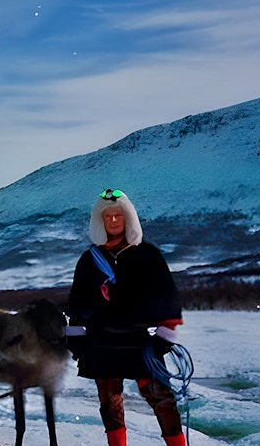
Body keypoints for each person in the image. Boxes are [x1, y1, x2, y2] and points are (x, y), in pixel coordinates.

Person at [66, 189, 185, 446]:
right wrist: (76, 336)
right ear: (100, 220)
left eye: (118, 215)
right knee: (110, 404)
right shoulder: (89, 260)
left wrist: (165, 335)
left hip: (139, 342)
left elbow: (166, 295)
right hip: (101, 342)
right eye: (107, 216)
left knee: (162, 399)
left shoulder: (148, 255)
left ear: (128, 217)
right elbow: (78, 301)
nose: (113, 220)